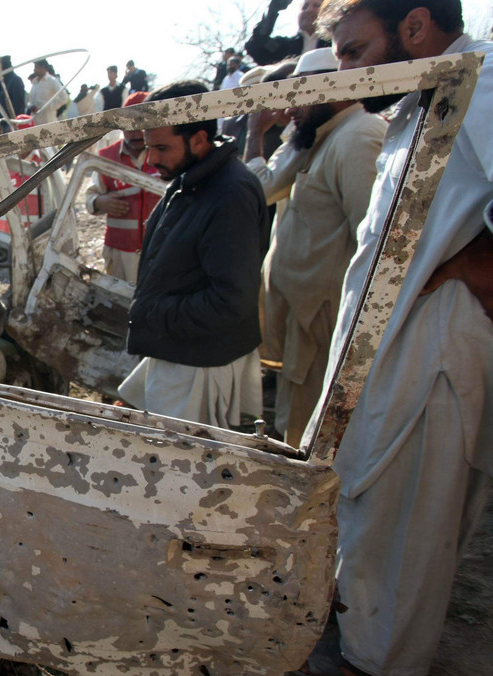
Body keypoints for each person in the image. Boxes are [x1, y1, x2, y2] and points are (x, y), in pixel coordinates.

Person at [308, 3, 492, 674]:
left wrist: (473, 266)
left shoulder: (484, 82)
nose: (346, 71)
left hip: (435, 352)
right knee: (373, 521)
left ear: (414, 28)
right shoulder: (421, 102)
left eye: (356, 51)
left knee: (410, 531)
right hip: (389, 354)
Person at [243, 48, 386, 445]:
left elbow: (378, 247)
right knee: (296, 424)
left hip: (323, 324)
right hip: (304, 324)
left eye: (299, 97)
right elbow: (263, 188)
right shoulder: (319, 137)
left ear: (330, 88)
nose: (289, 110)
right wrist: (257, 134)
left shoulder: (358, 136)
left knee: (315, 436)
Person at [118, 80, 267, 429]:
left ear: (199, 139)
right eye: (148, 147)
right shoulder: (192, 178)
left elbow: (230, 301)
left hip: (200, 365)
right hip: (180, 352)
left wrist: (153, 313)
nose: (151, 159)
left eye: (161, 148)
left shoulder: (230, 194)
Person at [85, 92, 162, 284]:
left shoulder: (165, 153)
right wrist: (100, 202)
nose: (136, 133)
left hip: (160, 251)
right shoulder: (106, 158)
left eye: (142, 126)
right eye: (130, 126)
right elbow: (89, 198)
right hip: (120, 253)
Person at [247, 0, 329, 65]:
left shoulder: (333, 45)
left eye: (316, 6)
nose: (308, 10)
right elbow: (255, 46)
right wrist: (273, 9)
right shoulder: (284, 46)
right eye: (305, 6)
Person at [0, 55, 27, 135]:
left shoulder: (16, 80)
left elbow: (19, 105)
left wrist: (15, 124)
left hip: (12, 126)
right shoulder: (2, 82)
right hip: (2, 124)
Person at [28, 59, 67, 125]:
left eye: (36, 67)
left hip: (48, 121)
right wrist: (31, 106)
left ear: (43, 67)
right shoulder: (35, 82)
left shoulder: (52, 81)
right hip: (35, 122)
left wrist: (49, 107)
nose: (34, 70)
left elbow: (64, 97)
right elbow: (30, 101)